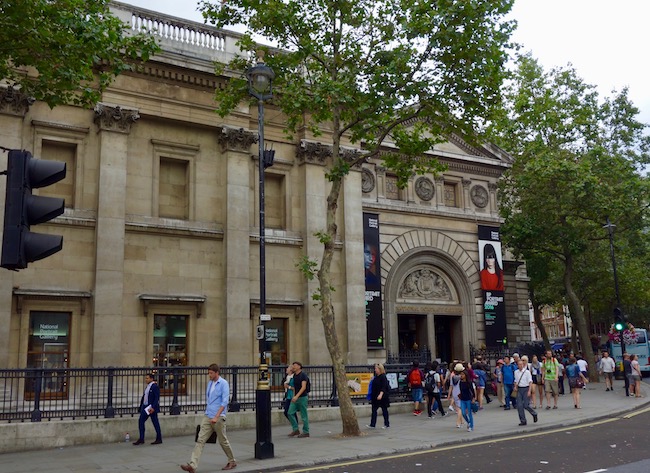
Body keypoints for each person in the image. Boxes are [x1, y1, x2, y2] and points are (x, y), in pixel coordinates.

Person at [181, 363, 236, 472]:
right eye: (209, 373)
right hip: (208, 415)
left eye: (211, 373)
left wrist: (216, 416)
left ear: (217, 373)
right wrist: (208, 414)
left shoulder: (223, 383)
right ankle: (192, 465)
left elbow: (224, 401)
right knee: (200, 440)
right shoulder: (210, 383)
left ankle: (232, 461)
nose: (209, 375)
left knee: (223, 441)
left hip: (219, 417)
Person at [133, 373, 162, 445]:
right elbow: (145, 397)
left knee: (154, 423)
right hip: (145, 407)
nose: (146, 379)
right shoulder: (147, 387)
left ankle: (158, 438)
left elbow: (156, 398)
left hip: (150, 408)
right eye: (146, 378)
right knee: (142, 421)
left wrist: (153, 407)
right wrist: (141, 406)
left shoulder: (154, 387)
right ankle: (142, 438)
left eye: (147, 378)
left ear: (151, 379)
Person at [288, 361, 310, 437]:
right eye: (293, 365)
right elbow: (295, 387)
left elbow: (303, 387)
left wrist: (296, 396)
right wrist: (293, 396)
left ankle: (306, 431)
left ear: (299, 367)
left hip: (302, 397)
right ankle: (295, 429)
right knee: (290, 413)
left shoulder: (303, 375)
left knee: (304, 415)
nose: (293, 367)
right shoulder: (294, 376)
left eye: (295, 365)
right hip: (296, 397)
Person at [513, 359, 538, 426]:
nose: (520, 366)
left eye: (521, 364)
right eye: (519, 364)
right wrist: (515, 386)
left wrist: (529, 391)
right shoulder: (516, 372)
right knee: (519, 405)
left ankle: (534, 413)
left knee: (526, 405)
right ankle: (523, 420)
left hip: (526, 388)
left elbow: (530, 382)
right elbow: (516, 380)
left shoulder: (527, 372)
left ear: (523, 365)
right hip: (519, 389)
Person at [366, 363, 390, 429]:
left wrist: (381, 394)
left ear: (380, 369)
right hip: (375, 396)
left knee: (384, 410)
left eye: (376, 368)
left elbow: (384, 386)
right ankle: (372, 424)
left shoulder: (383, 377)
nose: (375, 370)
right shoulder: (376, 377)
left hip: (382, 396)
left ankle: (386, 424)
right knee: (374, 410)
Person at [448, 363, 464, 428]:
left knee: (458, 407)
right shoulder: (461, 377)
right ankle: (458, 422)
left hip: (454, 393)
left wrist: (449, 395)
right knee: (460, 409)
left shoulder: (452, 377)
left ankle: (461, 420)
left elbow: (451, 386)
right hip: (460, 393)